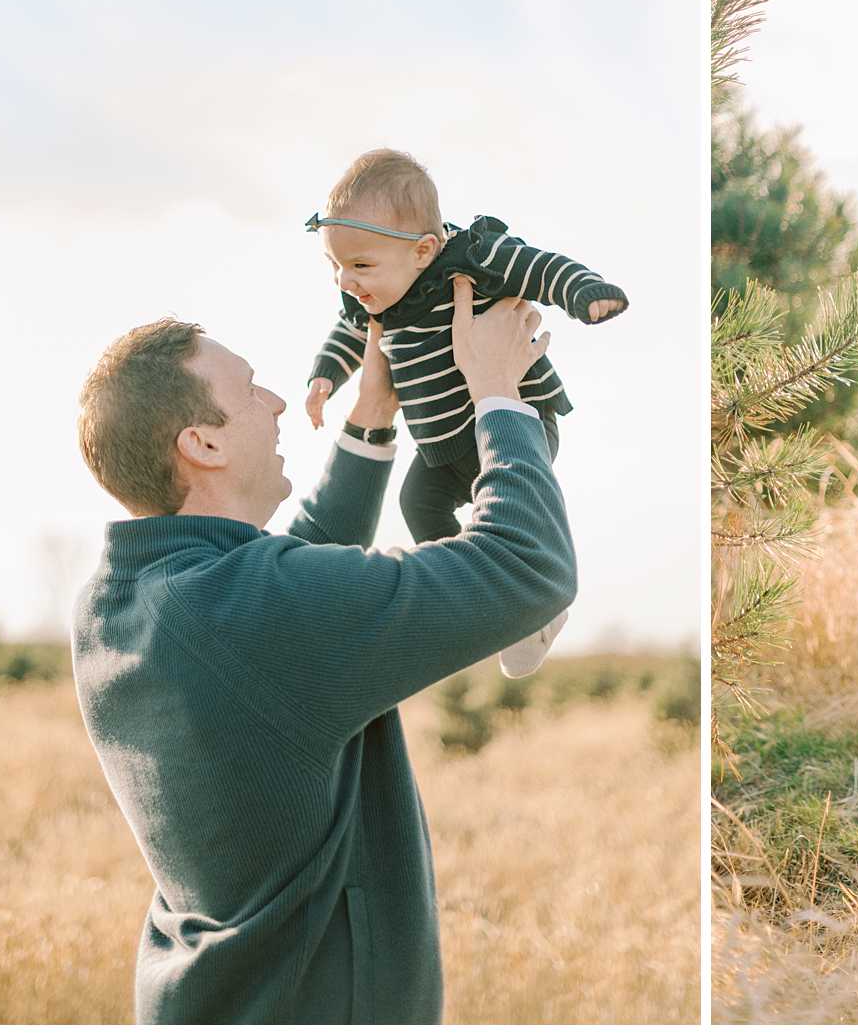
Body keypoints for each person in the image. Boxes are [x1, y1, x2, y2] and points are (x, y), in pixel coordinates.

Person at [72, 279, 575, 1022]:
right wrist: (498, 394)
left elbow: (282, 588)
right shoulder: (250, 610)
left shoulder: (120, 599)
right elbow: (527, 564)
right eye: (249, 391)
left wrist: (372, 415)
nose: (276, 402)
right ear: (202, 443)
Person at [304, 148, 627, 676]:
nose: (346, 281)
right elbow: (348, 333)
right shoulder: (371, 298)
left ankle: (538, 587)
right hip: (442, 443)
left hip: (513, 416)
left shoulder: (474, 258)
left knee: (503, 504)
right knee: (417, 503)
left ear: (423, 250)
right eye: (334, 265)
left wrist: (583, 292)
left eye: (359, 266)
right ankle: (484, 600)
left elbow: (537, 267)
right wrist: (325, 375)